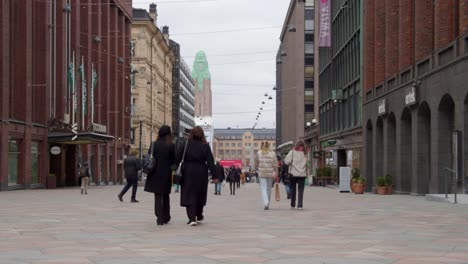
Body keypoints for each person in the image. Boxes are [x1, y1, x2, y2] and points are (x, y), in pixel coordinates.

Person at [177, 126, 217, 226]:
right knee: (200, 193)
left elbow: (178, 157)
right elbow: (211, 162)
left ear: (191, 134)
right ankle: (199, 214)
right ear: (202, 134)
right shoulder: (205, 145)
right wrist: (215, 175)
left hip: (188, 171)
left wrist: (175, 168)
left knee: (189, 193)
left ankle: (192, 218)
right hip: (201, 172)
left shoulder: (185, 144)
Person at [144, 125, 175, 226]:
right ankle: (166, 216)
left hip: (155, 173)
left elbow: (150, 156)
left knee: (157, 196)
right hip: (166, 173)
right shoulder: (171, 145)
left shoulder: (154, 144)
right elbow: (173, 160)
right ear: (168, 134)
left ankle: (159, 218)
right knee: (166, 195)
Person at [284, 140, 307, 210]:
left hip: (293, 173)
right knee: (301, 190)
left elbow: (286, 161)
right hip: (302, 174)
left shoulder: (292, 152)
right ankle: (300, 205)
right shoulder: (305, 153)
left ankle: (293, 204)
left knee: (293, 189)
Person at [255, 141, 278, 210]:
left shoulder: (259, 153)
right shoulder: (273, 153)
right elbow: (275, 164)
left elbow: (256, 163)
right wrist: (276, 172)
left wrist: (257, 168)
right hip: (270, 173)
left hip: (262, 173)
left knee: (263, 188)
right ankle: (267, 203)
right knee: (269, 188)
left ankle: (266, 203)